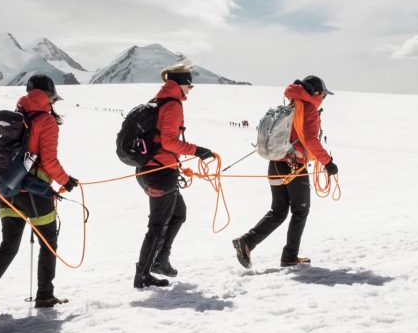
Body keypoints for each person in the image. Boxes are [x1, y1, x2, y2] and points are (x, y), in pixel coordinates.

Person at [0, 74, 77, 312]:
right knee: (48, 242)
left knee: (9, 244)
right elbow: (49, 161)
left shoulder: (16, 116)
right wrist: (66, 181)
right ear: (49, 96)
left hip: (6, 190)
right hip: (34, 192)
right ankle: (45, 296)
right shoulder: (46, 121)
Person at [232, 76, 337, 270]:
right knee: (300, 210)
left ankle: (247, 242)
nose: (323, 98)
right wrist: (328, 162)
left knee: (279, 211)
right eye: (323, 94)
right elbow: (312, 140)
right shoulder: (309, 109)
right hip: (294, 165)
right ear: (315, 93)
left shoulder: (290, 104)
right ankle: (289, 257)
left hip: (275, 163)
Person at [133, 62, 215, 289]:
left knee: (178, 213)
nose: (190, 90)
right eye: (190, 85)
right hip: (159, 171)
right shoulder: (172, 105)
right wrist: (197, 150)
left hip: (150, 169)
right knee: (158, 225)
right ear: (182, 84)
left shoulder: (160, 100)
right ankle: (143, 275)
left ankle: (160, 260)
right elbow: (169, 141)